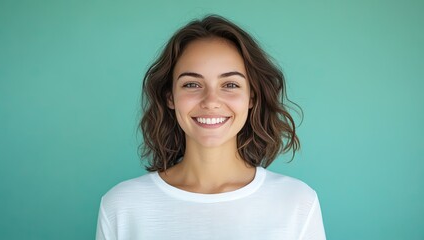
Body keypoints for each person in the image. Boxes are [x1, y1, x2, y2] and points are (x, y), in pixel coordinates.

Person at [96, 15, 326, 240]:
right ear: (170, 97)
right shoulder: (121, 206)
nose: (211, 101)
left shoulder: (297, 203)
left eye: (230, 84)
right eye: (192, 84)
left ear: (252, 98)